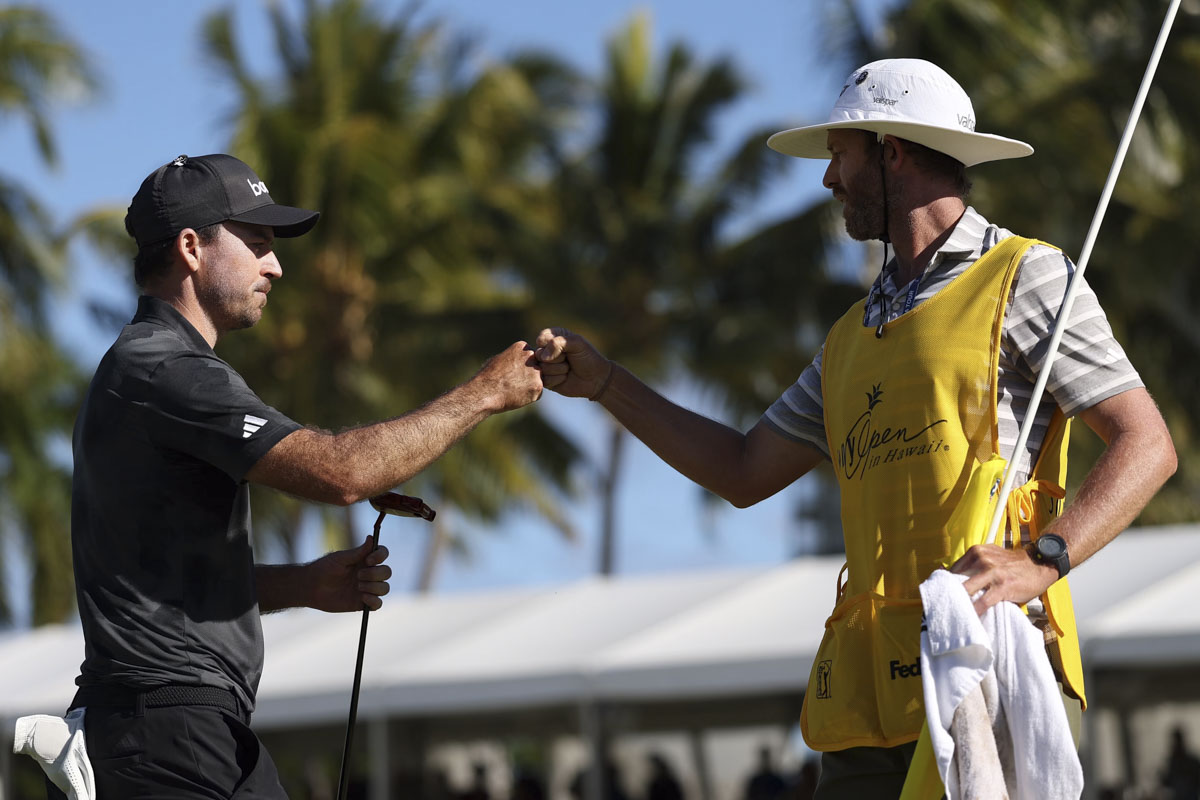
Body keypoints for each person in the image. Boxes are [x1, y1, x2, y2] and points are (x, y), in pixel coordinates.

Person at [534, 58, 1177, 798]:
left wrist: (1044, 557)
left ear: (890, 152)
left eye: (839, 154)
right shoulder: (849, 335)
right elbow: (744, 471)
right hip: (866, 688)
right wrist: (608, 384)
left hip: (976, 660)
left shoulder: (1025, 275)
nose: (828, 179)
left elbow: (1147, 443)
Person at [65, 153, 543, 798]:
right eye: (258, 245)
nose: (276, 266)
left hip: (172, 724)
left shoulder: (147, 367)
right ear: (190, 248)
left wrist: (305, 583)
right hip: (165, 729)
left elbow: (163, 583)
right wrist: (483, 394)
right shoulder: (164, 370)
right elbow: (343, 474)